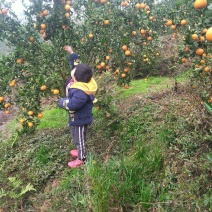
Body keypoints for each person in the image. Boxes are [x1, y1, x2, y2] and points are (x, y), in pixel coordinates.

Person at [58, 49, 98, 168]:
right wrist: (72, 53)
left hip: (80, 119)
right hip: (75, 117)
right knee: (75, 135)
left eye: (73, 76)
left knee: (80, 138)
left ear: (77, 78)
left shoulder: (81, 92)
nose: (71, 77)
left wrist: (62, 102)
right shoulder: (82, 80)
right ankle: (80, 151)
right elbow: (75, 66)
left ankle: (82, 159)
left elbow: (73, 104)